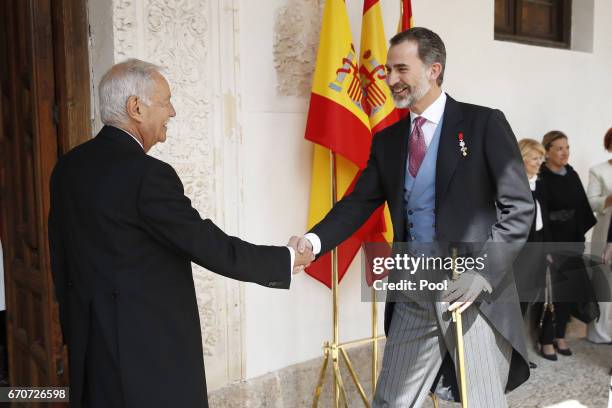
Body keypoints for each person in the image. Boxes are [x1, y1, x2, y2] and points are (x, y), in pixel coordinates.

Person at [47, 59, 314, 408]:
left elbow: (60, 262)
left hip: (89, 351)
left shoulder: (68, 167)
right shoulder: (147, 175)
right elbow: (205, 243)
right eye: (165, 101)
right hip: (148, 362)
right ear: (136, 108)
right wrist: (284, 259)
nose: (171, 111)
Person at [294, 27, 534, 407]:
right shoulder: (387, 140)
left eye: (401, 69)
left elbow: (519, 208)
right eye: (389, 70)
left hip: (470, 293)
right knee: (391, 401)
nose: (391, 80)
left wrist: (483, 272)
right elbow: (357, 202)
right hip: (411, 290)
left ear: (434, 69)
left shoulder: (483, 124)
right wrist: (314, 241)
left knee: (482, 401)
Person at [538, 130, 597, 356]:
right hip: (552, 241)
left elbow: (582, 206)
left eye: (568, 147)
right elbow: (541, 213)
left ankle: (560, 335)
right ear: (547, 152)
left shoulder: (571, 174)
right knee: (551, 293)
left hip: (572, 239)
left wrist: (579, 238)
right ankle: (545, 340)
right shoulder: (541, 176)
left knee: (568, 291)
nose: (565, 153)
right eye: (559, 148)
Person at [515, 139, 550, 365]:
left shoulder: (540, 183)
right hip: (517, 252)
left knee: (526, 301)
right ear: (523, 158)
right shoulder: (513, 184)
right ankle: (512, 357)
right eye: (536, 158)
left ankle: (519, 356)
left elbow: (542, 222)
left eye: (541, 158)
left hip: (535, 249)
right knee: (513, 305)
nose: (540, 162)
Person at [586, 127, 612, 343]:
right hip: (606, 234)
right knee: (603, 284)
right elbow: (591, 202)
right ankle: (598, 333)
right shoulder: (598, 170)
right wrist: (609, 199)